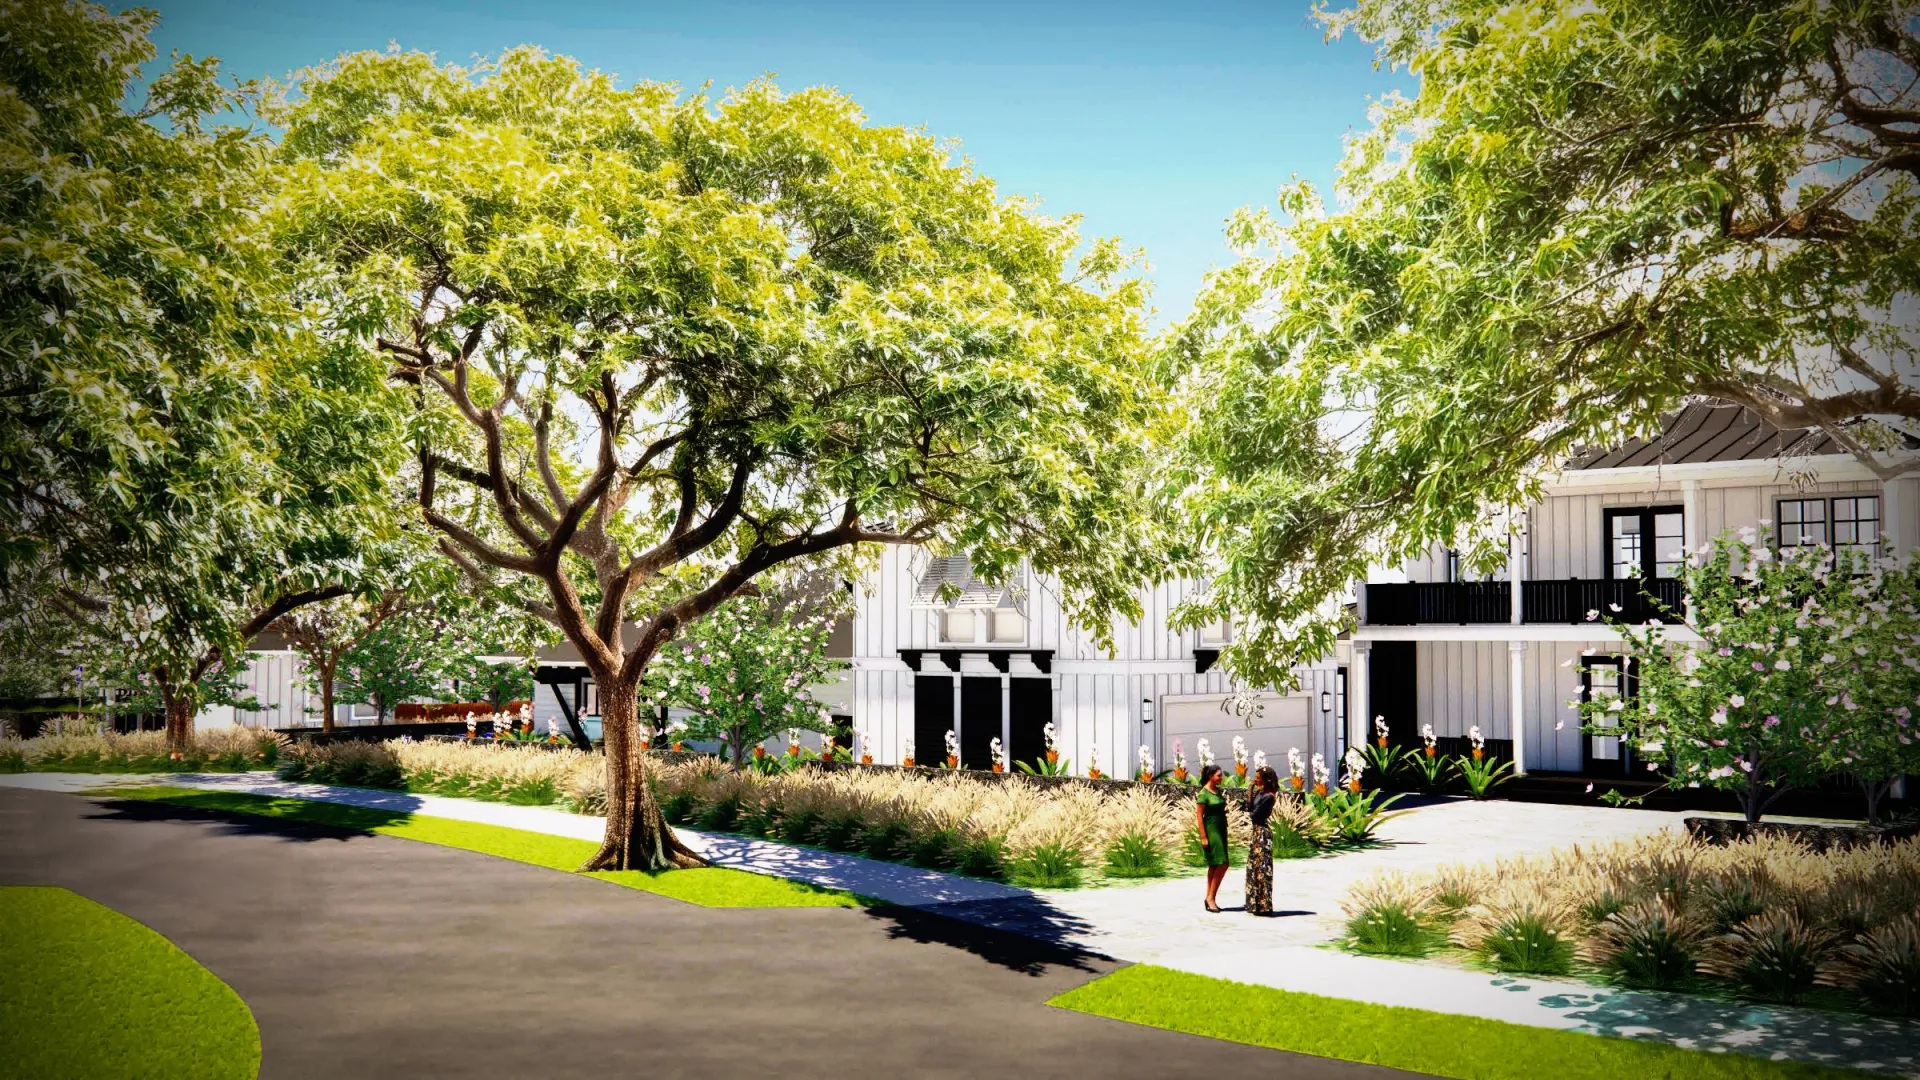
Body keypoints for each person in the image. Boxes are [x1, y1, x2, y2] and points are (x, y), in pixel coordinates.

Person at [1193, 764, 1229, 912]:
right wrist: (1203, 837)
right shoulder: (1203, 794)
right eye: (1218, 775)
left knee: (1214, 864)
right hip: (1211, 829)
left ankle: (1209, 897)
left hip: (1221, 829)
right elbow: (1199, 817)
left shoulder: (1217, 791)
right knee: (1223, 863)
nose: (1221, 778)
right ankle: (1211, 897)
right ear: (1210, 776)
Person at [1244, 765, 1279, 916]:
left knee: (1262, 869)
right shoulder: (1260, 792)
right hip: (1255, 832)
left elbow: (1255, 815)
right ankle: (1254, 904)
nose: (1255, 779)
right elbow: (1248, 807)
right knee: (1253, 868)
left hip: (1262, 834)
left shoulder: (1269, 796)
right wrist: (1250, 789)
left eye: (1258, 777)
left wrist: (1249, 813)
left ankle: (1264, 905)